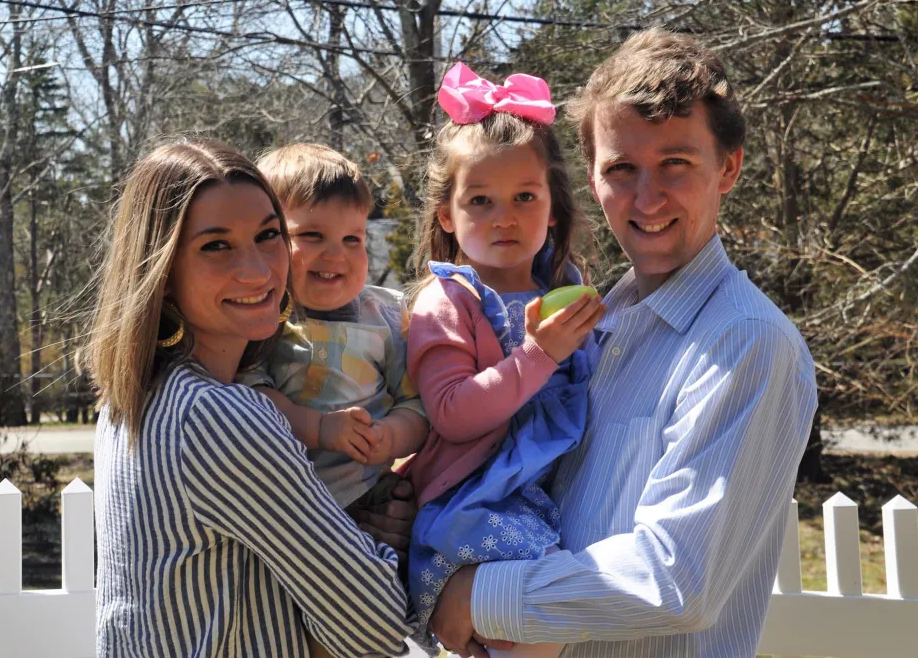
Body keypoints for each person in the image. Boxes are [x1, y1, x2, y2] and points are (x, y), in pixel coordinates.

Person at [430, 29, 819, 658]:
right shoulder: (588, 327)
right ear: (590, 176)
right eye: (621, 168)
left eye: (675, 164)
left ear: (729, 167)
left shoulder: (745, 345)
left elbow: (676, 576)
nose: (646, 197)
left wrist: (479, 596)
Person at [85, 139, 412, 657]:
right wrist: (386, 544)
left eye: (268, 235)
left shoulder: (131, 400)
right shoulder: (221, 415)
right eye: (217, 246)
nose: (259, 270)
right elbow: (373, 625)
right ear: (161, 271)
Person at [405, 62, 605, 657]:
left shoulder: (566, 284)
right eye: (480, 200)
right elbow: (453, 415)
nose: (504, 216)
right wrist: (539, 354)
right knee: (536, 615)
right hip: (475, 501)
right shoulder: (447, 301)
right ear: (447, 215)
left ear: (552, 204)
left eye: (524, 196)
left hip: (552, 493)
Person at [239, 143, 428, 511]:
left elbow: (416, 403)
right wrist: (319, 428)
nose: (336, 254)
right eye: (311, 236)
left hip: (366, 491)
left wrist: (391, 436)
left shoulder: (387, 315)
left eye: (352, 239)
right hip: (284, 504)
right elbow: (252, 394)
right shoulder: (263, 315)